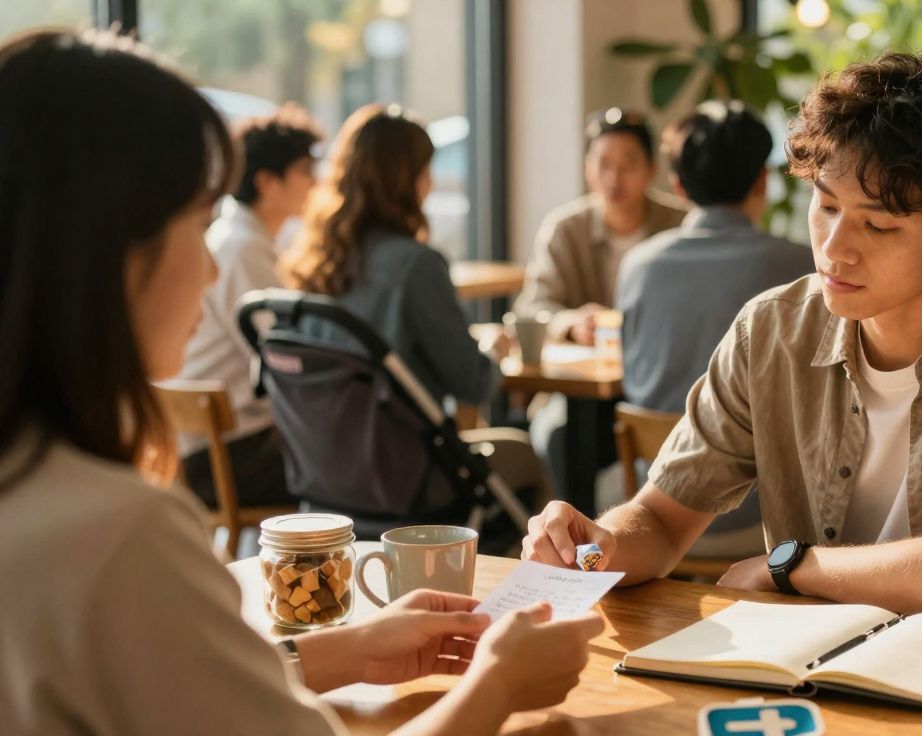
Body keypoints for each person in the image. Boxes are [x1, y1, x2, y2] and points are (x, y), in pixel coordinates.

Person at [0, 28, 600, 736]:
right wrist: (500, 683)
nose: (214, 268)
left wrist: (335, 652)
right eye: (199, 220)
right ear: (108, 246)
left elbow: (159, 689)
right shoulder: (121, 536)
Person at [522, 52, 922, 629]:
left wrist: (791, 567)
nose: (834, 248)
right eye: (825, 206)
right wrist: (599, 548)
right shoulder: (772, 329)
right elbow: (663, 519)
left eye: (878, 225)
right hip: (812, 670)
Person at [279, 104, 544, 515]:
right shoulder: (415, 266)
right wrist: (495, 352)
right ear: (409, 180)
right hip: (401, 475)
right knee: (528, 457)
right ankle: (536, 578)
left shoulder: (312, 262)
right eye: (425, 171)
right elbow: (472, 384)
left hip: (323, 477)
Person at [615, 100, 812, 559]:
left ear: (678, 184)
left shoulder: (638, 265)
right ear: (762, 180)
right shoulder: (803, 268)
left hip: (649, 500)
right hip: (765, 518)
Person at [177, 104, 320, 510]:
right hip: (230, 458)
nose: (317, 183)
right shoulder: (241, 250)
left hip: (220, 448)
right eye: (306, 171)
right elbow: (283, 359)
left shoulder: (238, 240)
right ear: (267, 181)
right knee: (357, 463)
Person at [514, 107, 688, 344]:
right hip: (585, 370)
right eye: (604, 164)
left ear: (651, 170)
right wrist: (572, 323)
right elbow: (533, 306)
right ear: (587, 168)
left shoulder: (681, 224)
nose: (614, 178)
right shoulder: (565, 228)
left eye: (628, 165)